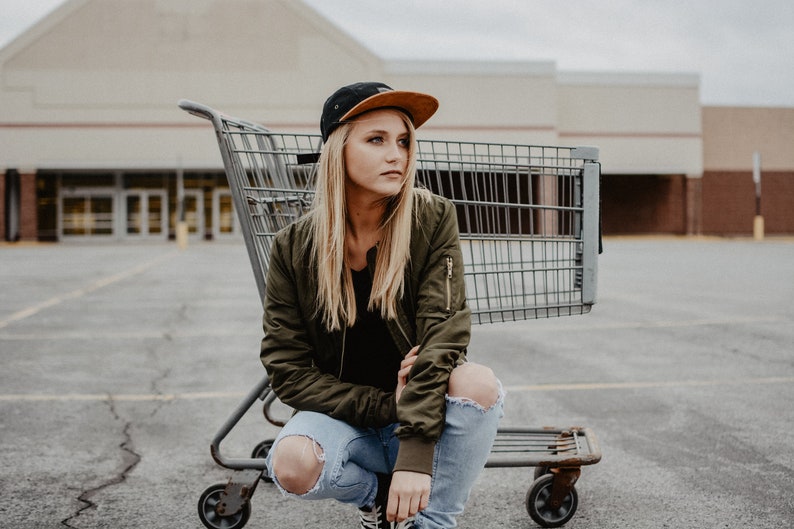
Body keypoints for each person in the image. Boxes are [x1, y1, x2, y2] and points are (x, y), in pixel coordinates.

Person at [260, 81, 504, 529]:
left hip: (423, 418)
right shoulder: (292, 247)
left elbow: (444, 334)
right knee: (291, 463)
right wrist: (384, 407)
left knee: (476, 382)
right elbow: (287, 369)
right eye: (377, 140)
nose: (397, 155)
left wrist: (413, 451)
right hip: (350, 422)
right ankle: (377, 497)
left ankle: (432, 521)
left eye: (404, 141)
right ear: (338, 150)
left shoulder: (431, 218)